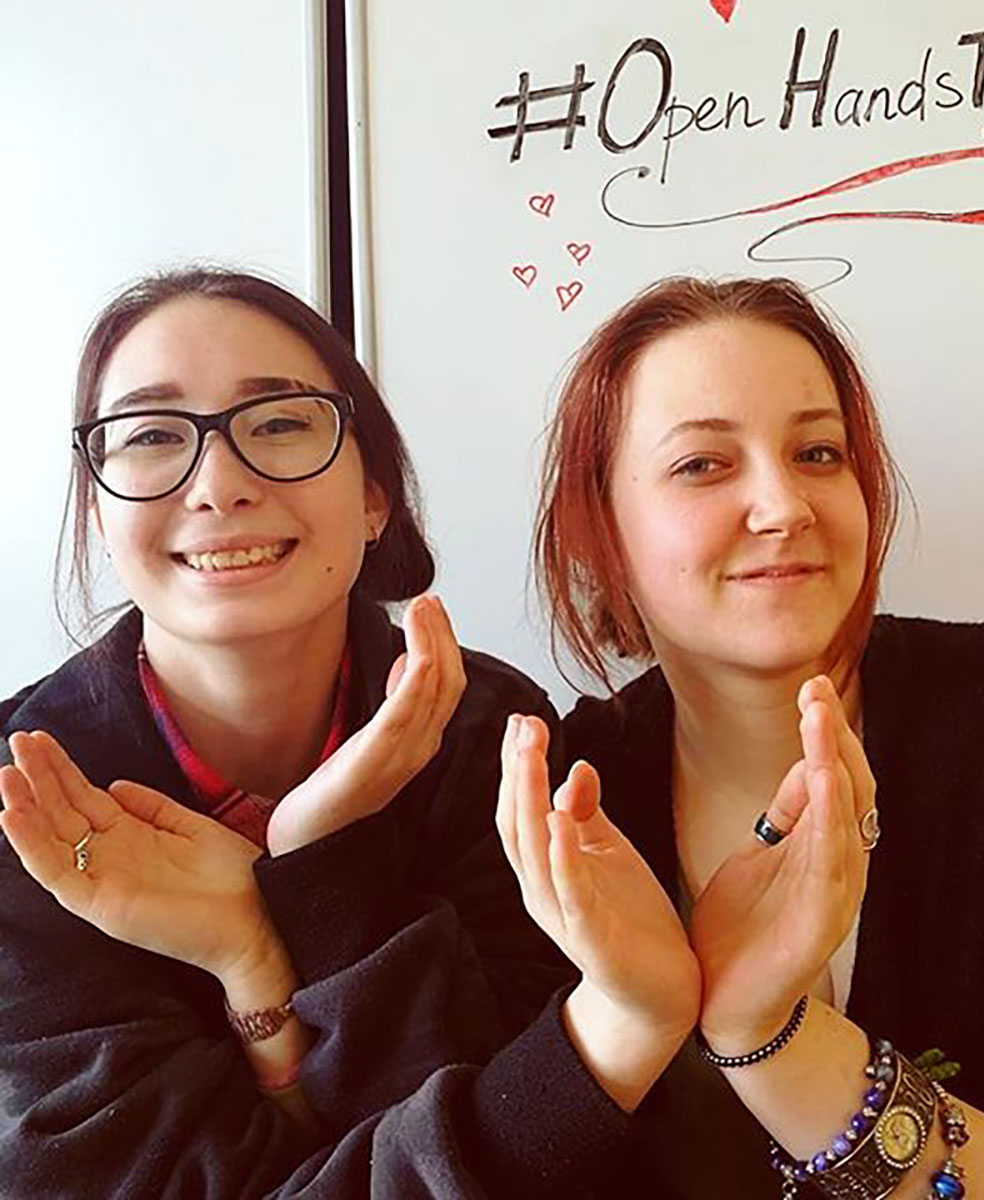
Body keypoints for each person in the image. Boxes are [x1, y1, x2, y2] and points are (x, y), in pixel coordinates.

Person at [498, 276, 984, 1198]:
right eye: (702, 464)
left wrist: (776, 1041)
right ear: (601, 528)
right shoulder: (568, 806)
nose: (784, 506)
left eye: (818, 453)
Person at [0, 267, 608, 1197]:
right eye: (153, 435)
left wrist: (323, 855)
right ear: (97, 510)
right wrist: (253, 959)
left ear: (375, 498)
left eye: (280, 424)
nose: (219, 485)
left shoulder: (492, 736)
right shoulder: (26, 796)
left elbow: (515, 1137)